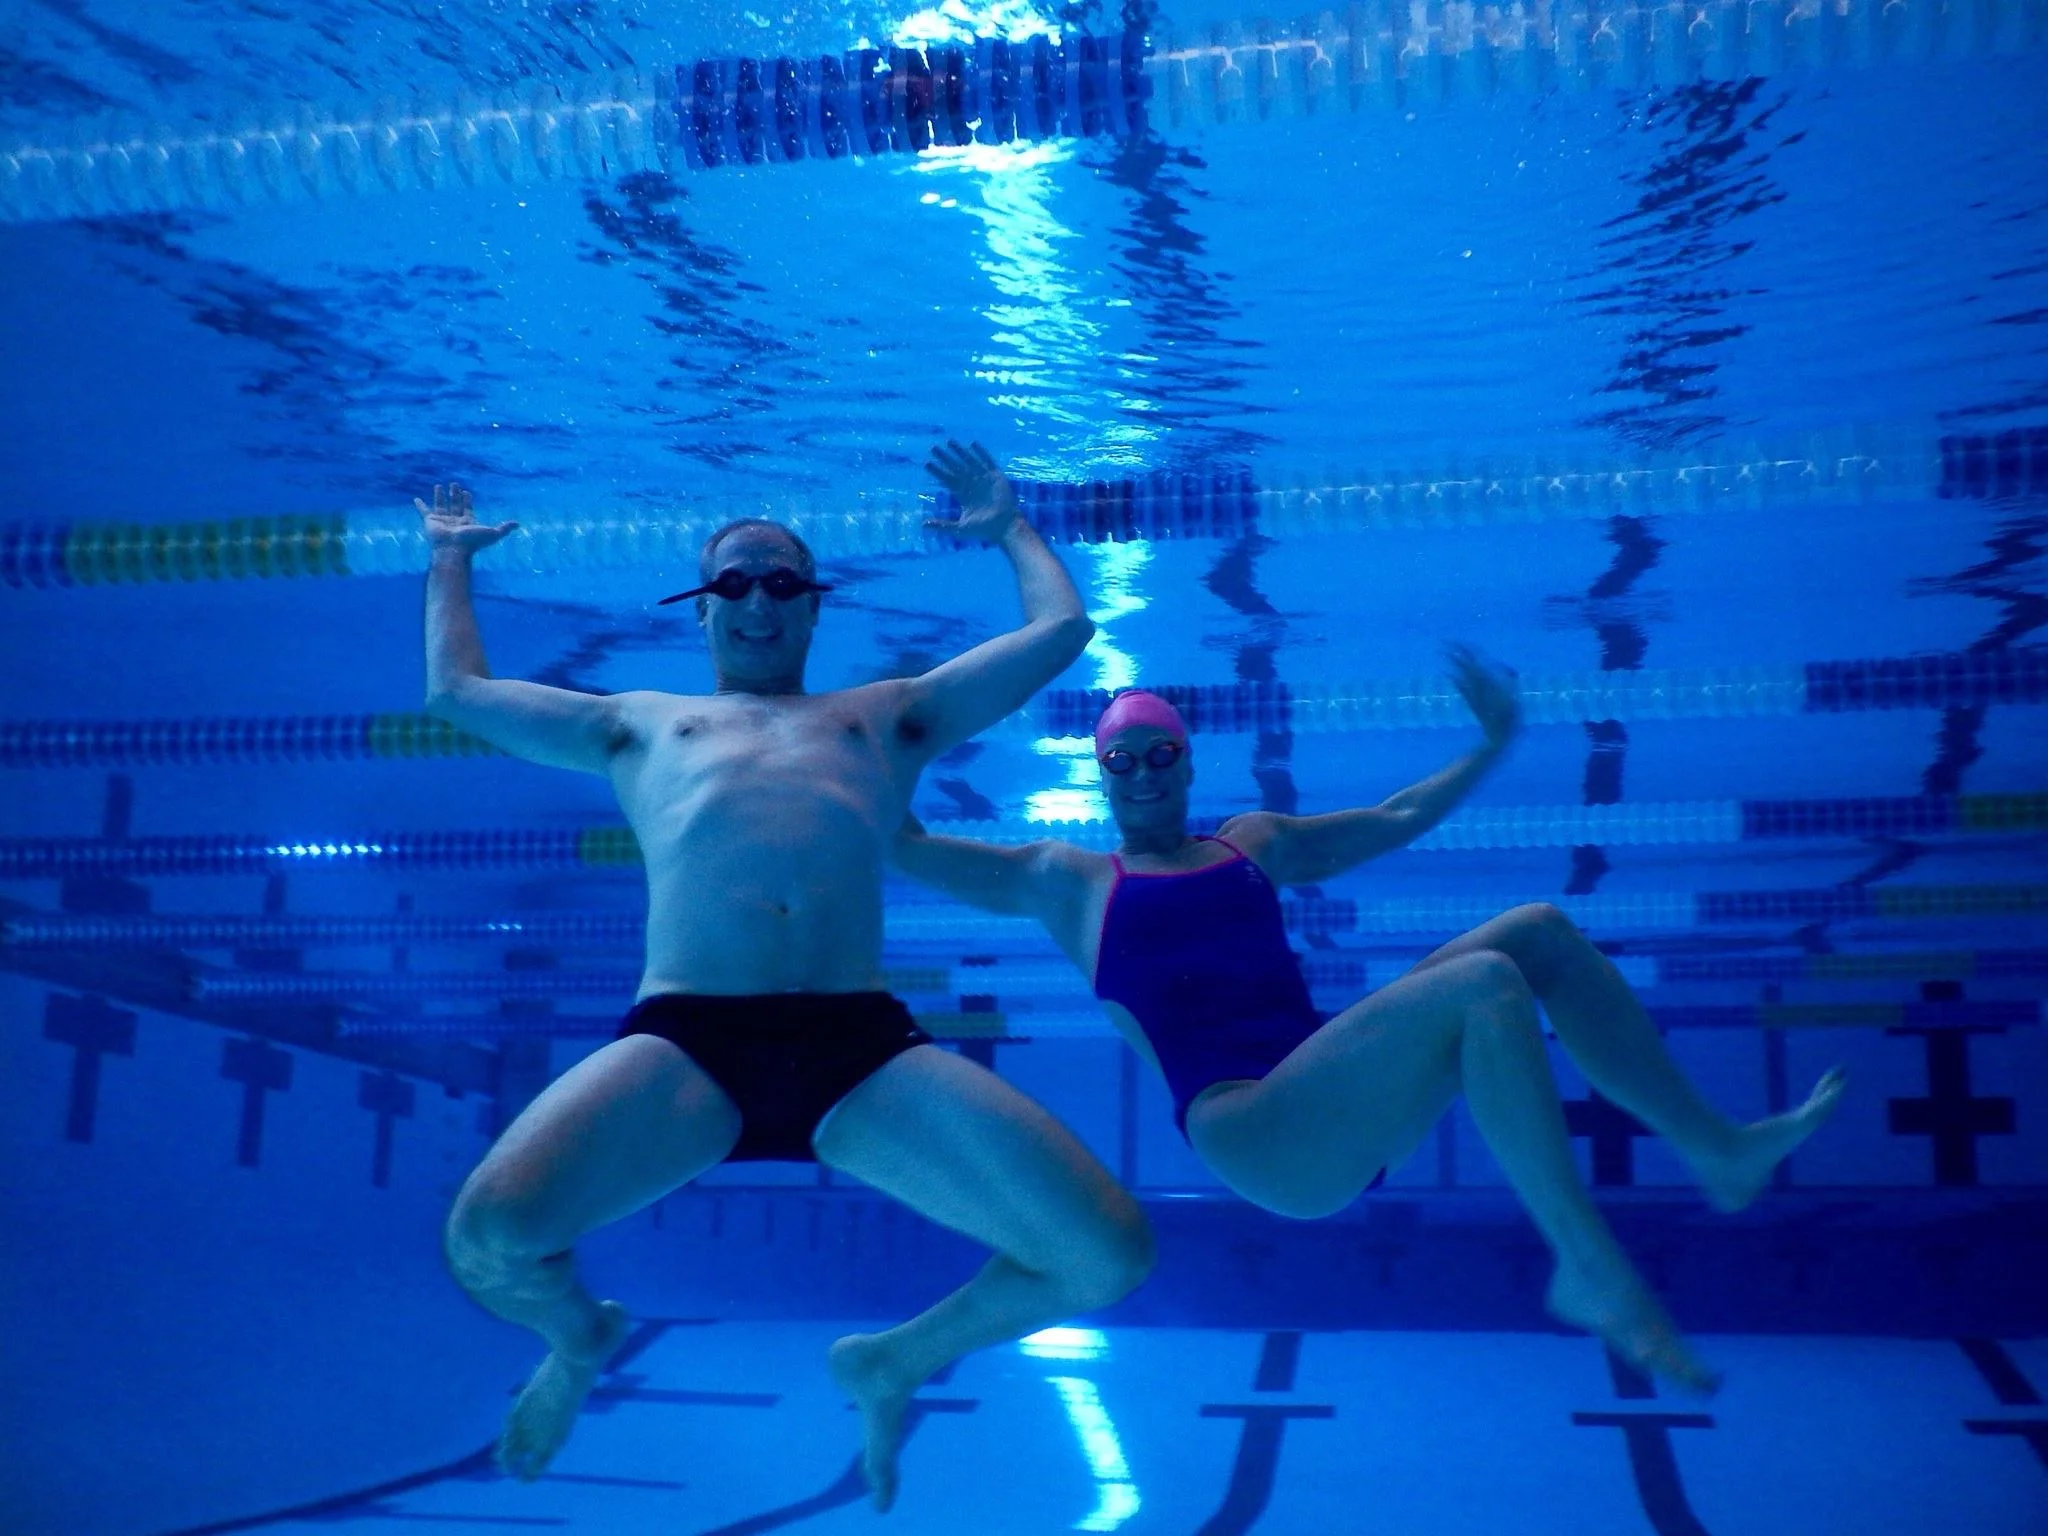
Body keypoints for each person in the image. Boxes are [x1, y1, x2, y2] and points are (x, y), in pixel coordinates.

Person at [419, 441, 1154, 1509]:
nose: (756, 600)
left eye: (780, 583)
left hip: (858, 1052)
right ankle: (580, 1343)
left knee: (1105, 1257)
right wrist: (448, 562)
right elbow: (455, 692)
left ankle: (894, 1359)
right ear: (701, 610)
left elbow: (1059, 633)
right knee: (485, 1241)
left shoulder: (881, 718)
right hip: (684, 1045)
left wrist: (1007, 529)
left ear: (813, 610)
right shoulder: (639, 723)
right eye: (733, 583)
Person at [892, 648, 1846, 1394]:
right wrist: (859, 751)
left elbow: (1393, 816)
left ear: (1188, 758)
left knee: (1541, 936)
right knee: (1481, 983)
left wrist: (1487, 744)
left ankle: (1715, 1147)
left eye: (1160, 752)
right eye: (1120, 759)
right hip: (1252, 1133)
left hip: (1331, 1097)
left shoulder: (1251, 843)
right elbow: (911, 847)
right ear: (1100, 773)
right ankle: (1584, 1263)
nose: (1141, 772)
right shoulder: (1070, 884)